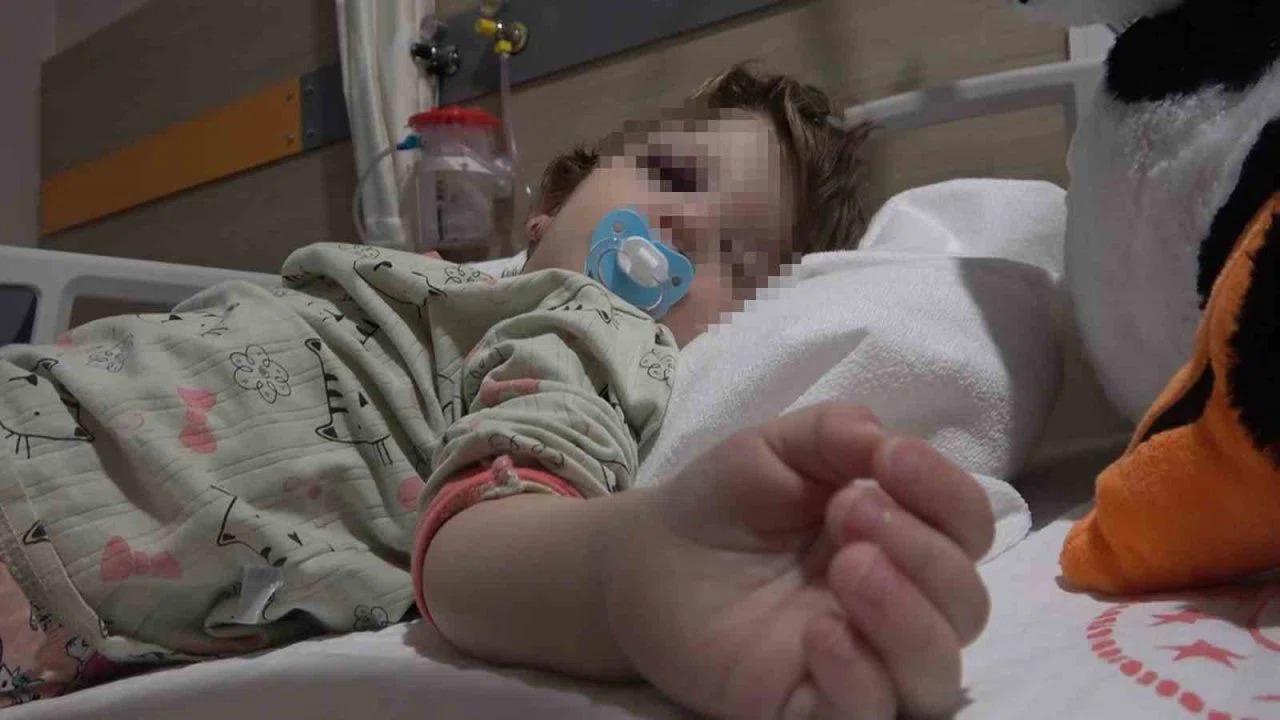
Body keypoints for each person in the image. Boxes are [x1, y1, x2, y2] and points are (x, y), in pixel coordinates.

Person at [0, 65, 993, 720]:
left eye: (738, 257)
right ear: (549, 208)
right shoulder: (440, 291)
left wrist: (627, 573)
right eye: (671, 173)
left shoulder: (593, 326)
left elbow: (495, 518)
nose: (686, 226)